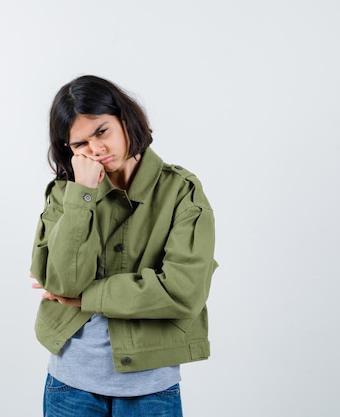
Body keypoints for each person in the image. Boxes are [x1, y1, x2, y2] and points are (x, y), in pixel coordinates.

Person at [29, 75, 218, 417]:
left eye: (102, 131)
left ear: (125, 120)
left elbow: (184, 290)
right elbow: (62, 283)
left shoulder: (181, 192)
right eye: (80, 144)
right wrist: (83, 195)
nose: (95, 150)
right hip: (70, 385)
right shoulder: (65, 194)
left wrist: (87, 298)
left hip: (150, 388)